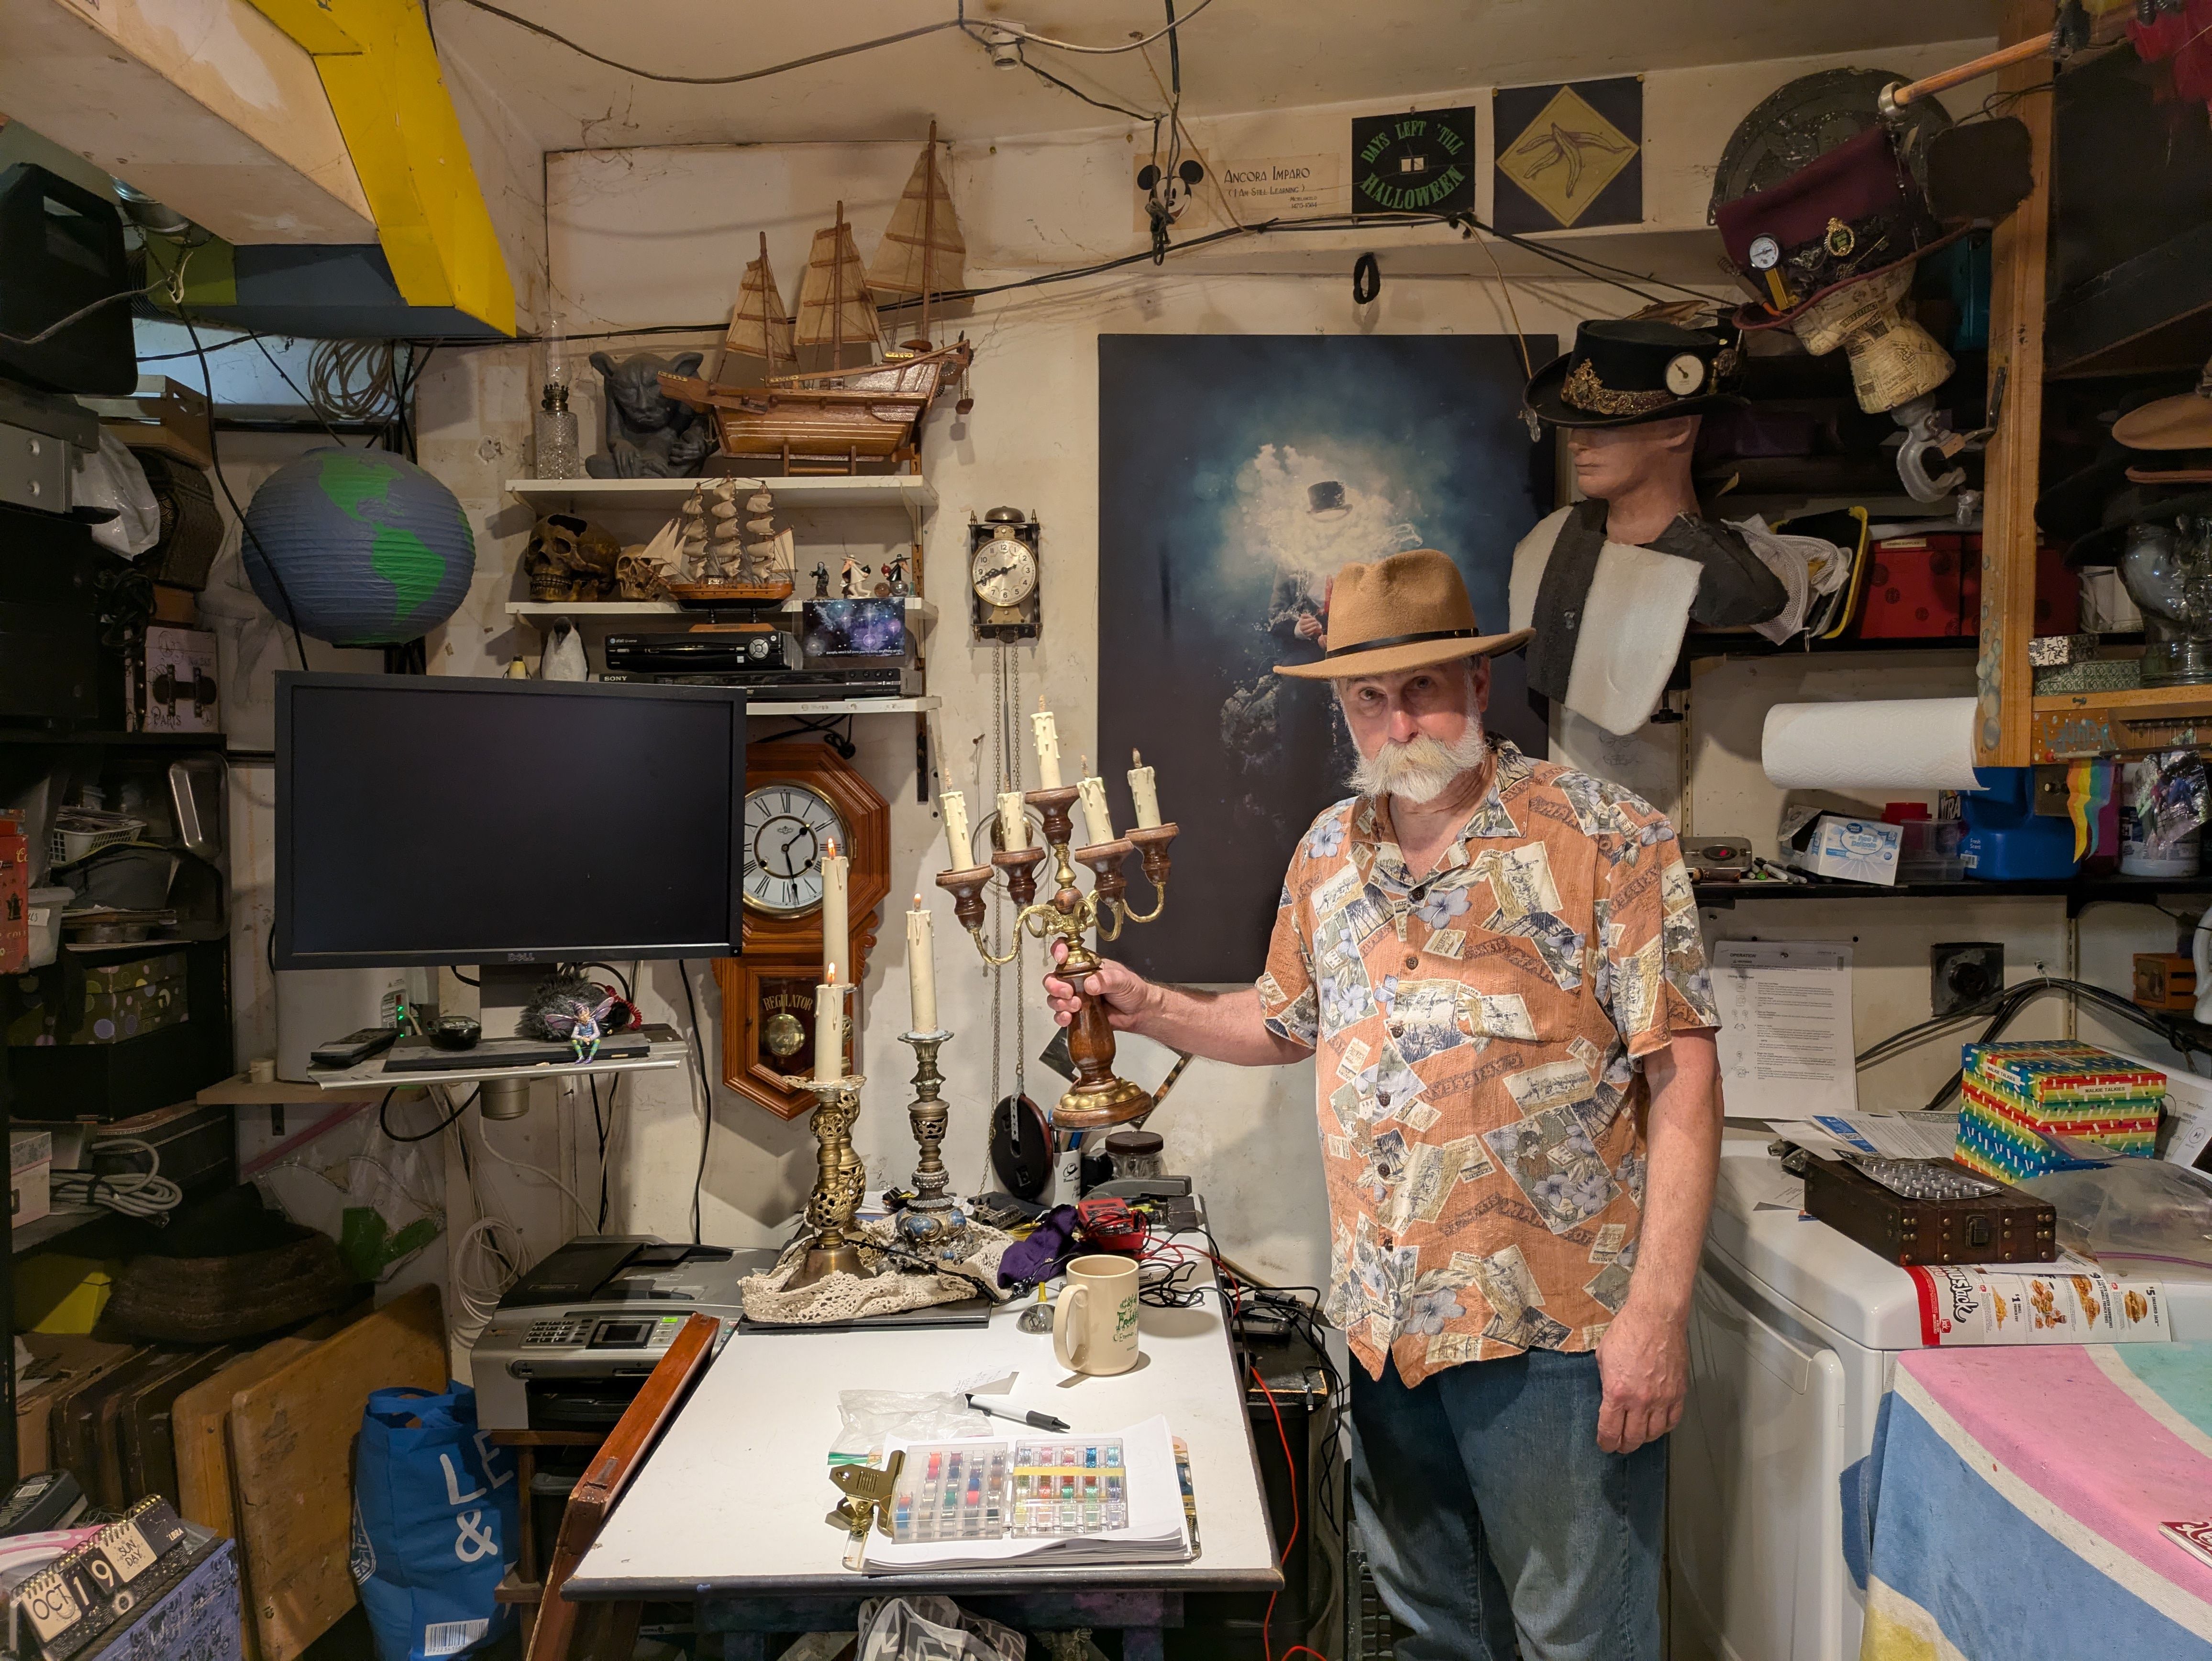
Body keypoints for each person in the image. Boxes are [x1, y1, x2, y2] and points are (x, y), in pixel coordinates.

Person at [1044, 547, 1722, 1661]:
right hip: (1384, 1330)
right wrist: (1143, 1002)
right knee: (1432, 1632)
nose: (1398, 720)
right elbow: (1280, 1022)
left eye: (1421, 689)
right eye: (1370, 697)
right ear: (1344, 711)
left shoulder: (1608, 835)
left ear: (1477, 689)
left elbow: (1681, 1076)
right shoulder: (1326, 851)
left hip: (1553, 1339)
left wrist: (1654, 1318)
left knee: (1578, 1641)